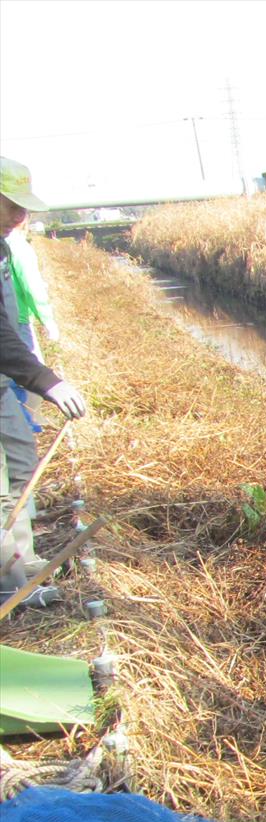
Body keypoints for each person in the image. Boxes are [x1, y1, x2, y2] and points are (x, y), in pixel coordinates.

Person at [0, 156, 88, 607]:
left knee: (19, 465)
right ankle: (7, 589)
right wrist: (46, 382)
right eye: (11, 204)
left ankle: (18, 567)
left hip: (1, 381)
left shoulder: (4, 246)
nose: (21, 215)